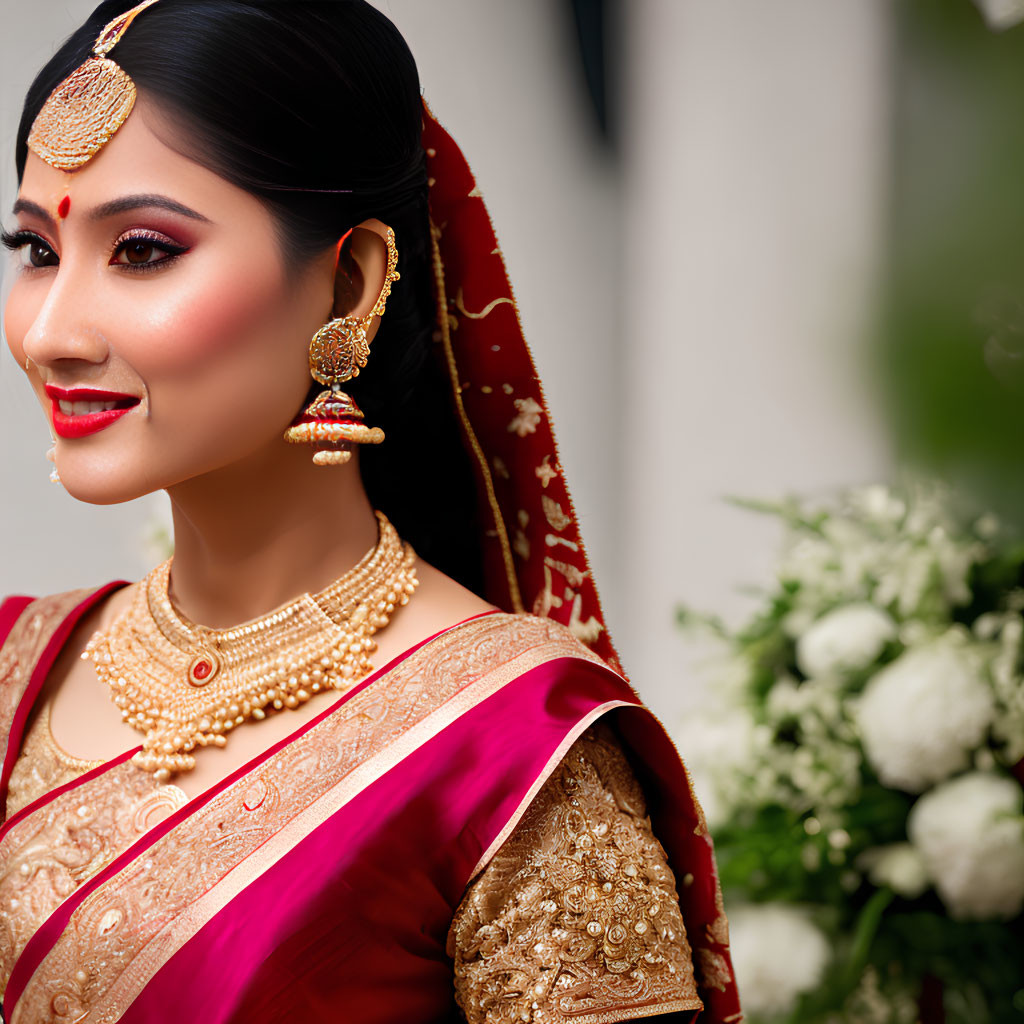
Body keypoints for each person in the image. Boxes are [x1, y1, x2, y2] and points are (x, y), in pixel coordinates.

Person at [0, 2, 741, 1021]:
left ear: (348, 283)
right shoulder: (16, 668)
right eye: (36, 249)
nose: (51, 333)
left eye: (140, 249)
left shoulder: (513, 749)